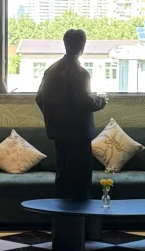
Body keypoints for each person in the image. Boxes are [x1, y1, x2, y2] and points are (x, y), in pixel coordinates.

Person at [35, 28, 106, 202]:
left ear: (65, 44)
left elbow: (39, 98)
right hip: (79, 133)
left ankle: (61, 212)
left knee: (63, 173)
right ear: (82, 45)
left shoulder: (51, 71)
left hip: (58, 131)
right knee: (80, 178)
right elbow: (85, 102)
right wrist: (102, 100)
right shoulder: (80, 73)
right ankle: (80, 215)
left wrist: (53, 116)